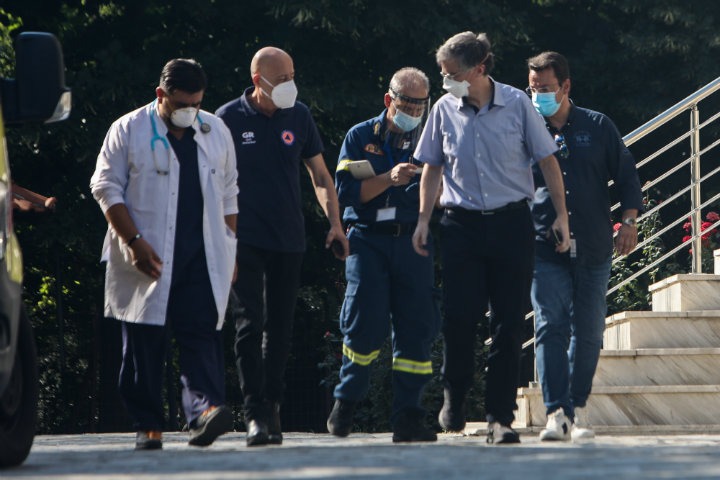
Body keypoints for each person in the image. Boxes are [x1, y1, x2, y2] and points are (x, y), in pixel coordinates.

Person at [411, 32, 571, 444]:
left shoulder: (517, 103)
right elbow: (431, 167)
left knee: (508, 323)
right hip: (460, 225)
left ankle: (501, 418)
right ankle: (455, 391)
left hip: (511, 224)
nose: (446, 80)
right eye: (443, 73)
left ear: (479, 68)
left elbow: (548, 161)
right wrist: (424, 220)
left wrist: (561, 216)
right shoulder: (443, 109)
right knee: (459, 318)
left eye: (452, 73)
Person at [90, 58, 238, 450]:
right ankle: (148, 424)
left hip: (202, 253)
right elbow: (105, 187)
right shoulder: (129, 129)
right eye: (182, 104)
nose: (190, 111)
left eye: (197, 104)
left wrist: (229, 247)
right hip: (146, 252)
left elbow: (230, 193)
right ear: (161, 95)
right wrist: (133, 241)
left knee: (202, 333)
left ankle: (204, 412)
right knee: (144, 341)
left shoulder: (215, 130)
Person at [216, 46, 349, 447]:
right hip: (243, 238)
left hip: (288, 238)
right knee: (248, 324)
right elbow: (212, 182)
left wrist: (335, 224)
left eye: (293, 76)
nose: (291, 84)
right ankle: (254, 413)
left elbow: (320, 175)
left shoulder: (299, 115)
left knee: (280, 328)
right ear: (258, 81)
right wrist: (221, 238)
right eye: (282, 79)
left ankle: (273, 404)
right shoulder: (227, 119)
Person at [526, 51, 643, 441]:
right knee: (549, 325)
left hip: (593, 245)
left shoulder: (598, 125)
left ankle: (573, 410)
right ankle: (555, 411)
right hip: (544, 247)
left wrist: (629, 223)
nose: (538, 95)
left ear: (566, 86)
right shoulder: (526, 130)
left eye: (545, 88)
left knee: (590, 332)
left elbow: (626, 177)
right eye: (532, 88)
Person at [326, 67, 441, 443]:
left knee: (416, 329)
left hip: (412, 241)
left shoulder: (430, 138)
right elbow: (346, 193)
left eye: (421, 106)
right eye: (408, 105)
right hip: (368, 240)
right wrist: (388, 178)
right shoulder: (360, 136)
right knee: (364, 322)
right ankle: (346, 402)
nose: (414, 112)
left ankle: (408, 416)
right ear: (389, 100)